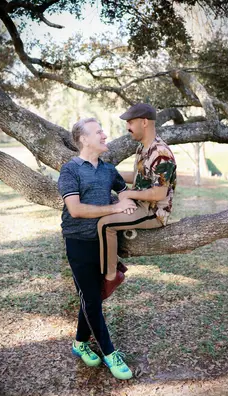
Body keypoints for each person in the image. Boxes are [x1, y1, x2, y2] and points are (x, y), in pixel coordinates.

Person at [58, 117, 136, 380]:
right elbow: (75, 210)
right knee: (90, 298)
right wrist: (113, 207)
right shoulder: (70, 170)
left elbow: (124, 191)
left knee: (94, 296)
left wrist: (126, 203)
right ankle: (109, 352)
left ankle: (80, 343)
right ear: (83, 139)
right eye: (98, 131)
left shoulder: (108, 170)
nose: (105, 135)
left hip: (104, 242)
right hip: (78, 242)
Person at [97, 103, 177, 299]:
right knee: (97, 212)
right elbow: (138, 177)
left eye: (130, 122)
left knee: (105, 225)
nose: (127, 127)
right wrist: (105, 175)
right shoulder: (142, 148)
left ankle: (110, 277)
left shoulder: (161, 153)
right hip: (141, 204)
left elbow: (159, 193)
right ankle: (113, 262)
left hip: (153, 211)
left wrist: (130, 195)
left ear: (144, 122)